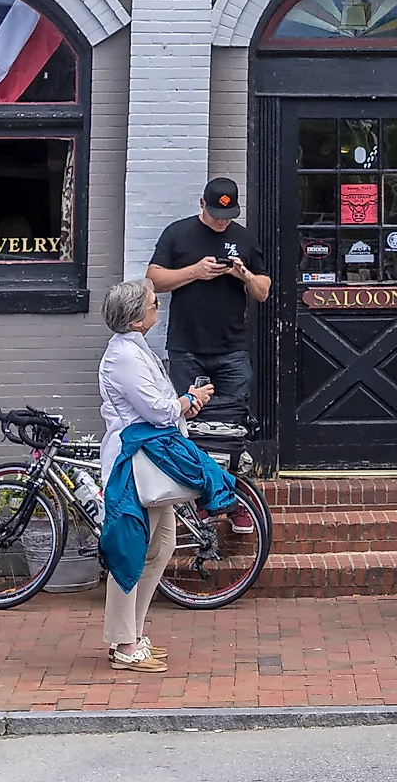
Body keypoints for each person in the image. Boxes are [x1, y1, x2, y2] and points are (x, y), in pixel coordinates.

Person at [96, 278, 221, 672]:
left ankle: (133, 632)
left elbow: (160, 404)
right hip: (135, 463)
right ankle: (123, 645)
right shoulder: (125, 356)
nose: (158, 308)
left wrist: (181, 404)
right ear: (136, 318)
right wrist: (188, 400)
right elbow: (155, 410)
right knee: (132, 551)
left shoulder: (135, 349)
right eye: (153, 303)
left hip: (152, 463)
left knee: (162, 543)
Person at [146, 177, 271, 429]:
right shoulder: (177, 233)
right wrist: (195, 271)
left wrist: (243, 274)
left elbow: (263, 292)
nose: (222, 221)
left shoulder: (245, 239)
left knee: (234, 419)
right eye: (216, 215)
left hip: (232, 348)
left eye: (228, 216)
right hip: (187, 345)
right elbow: (153, 280)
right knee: (188, 419)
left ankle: (230, 466)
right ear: (202, 203)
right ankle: (192, 467)